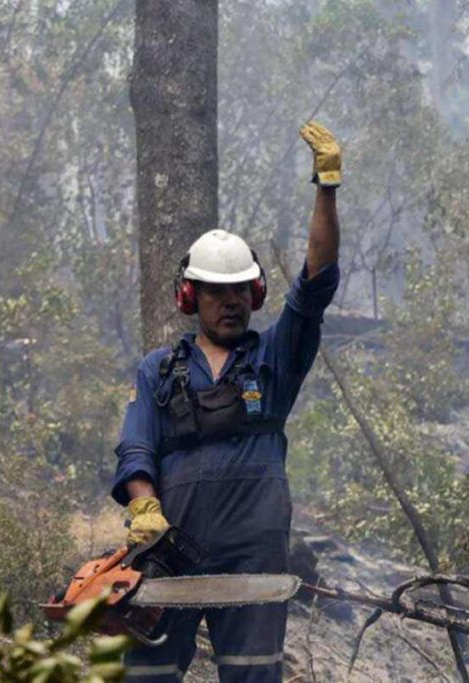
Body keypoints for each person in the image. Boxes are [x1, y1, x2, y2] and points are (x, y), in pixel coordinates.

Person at [110, 121, 343, 682]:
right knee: (147, 675)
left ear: (255, 293)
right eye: (215, 291)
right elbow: (136, 446)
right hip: (171, 554)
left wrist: (326, 186)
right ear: (191, 297)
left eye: (240, 290)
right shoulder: (159, 369)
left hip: (253, 560)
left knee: (252, 675)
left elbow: (315, 281)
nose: (230, 302)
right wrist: (143, 507)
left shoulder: (275, 359)